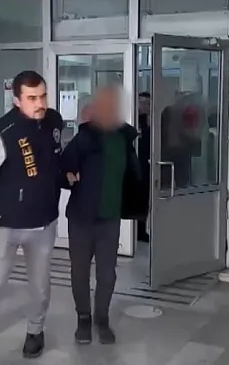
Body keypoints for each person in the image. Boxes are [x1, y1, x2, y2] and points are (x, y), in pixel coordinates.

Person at [0, 71, 64, 365]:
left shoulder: (54, 122)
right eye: (32, 98)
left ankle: (35, 331)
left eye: (42, 96)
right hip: (3, 225)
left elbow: (54, 161)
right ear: (17, 100)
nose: (39, 103)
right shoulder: (1, 133)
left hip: (43, 224)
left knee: (40, 288)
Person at [61, 86, 147, 345]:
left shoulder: (124, 139)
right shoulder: (84, 138)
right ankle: (83, 319)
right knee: (79, 272)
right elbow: (63, 168)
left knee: (107, 275)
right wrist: (69, 177)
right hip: (81, 218)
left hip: (110, 219)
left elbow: (133, 175)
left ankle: (102, 318)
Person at [136, 92, 151, 242]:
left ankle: (141, 230)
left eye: (148, 103)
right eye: (143, 102)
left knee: (145, 200)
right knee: (136, 199)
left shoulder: (150, 122)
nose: (145, 106)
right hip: (134, 166)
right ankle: (133, 231)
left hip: (146, 165)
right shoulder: (134, 120)